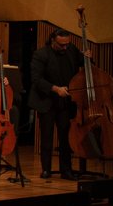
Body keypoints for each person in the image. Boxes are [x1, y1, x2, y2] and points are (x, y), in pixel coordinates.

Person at [28, 29, 84, 180]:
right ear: (53, 41)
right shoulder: (41, 54)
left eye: (67, 44)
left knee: (65, 137)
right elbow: (36, 79)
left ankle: (66, 170)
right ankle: (46, 169)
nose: (65, 47)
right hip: (46, 100)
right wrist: (55, 89)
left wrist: (88, 58)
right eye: (61, 45)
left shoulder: (71, 49)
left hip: (66, 101)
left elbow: (82, 61)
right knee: (46, 136)